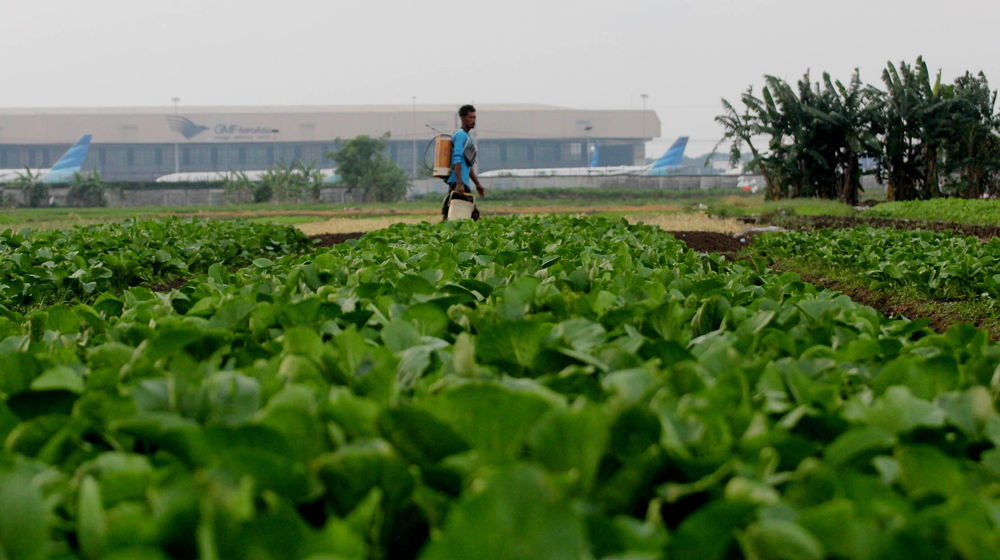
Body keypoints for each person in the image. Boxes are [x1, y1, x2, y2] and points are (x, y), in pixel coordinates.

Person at [442, 104, 486, 220]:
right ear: (462, 118)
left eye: (474, 117)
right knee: (471, 215)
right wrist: (459, 183)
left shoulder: (466, 136)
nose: (473, 120)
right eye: (470, 117)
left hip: (461, 182)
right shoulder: (461, 135)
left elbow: (467, 165)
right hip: (458, 183)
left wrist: (477, 184)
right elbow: (457, 159)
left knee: (452, 216)